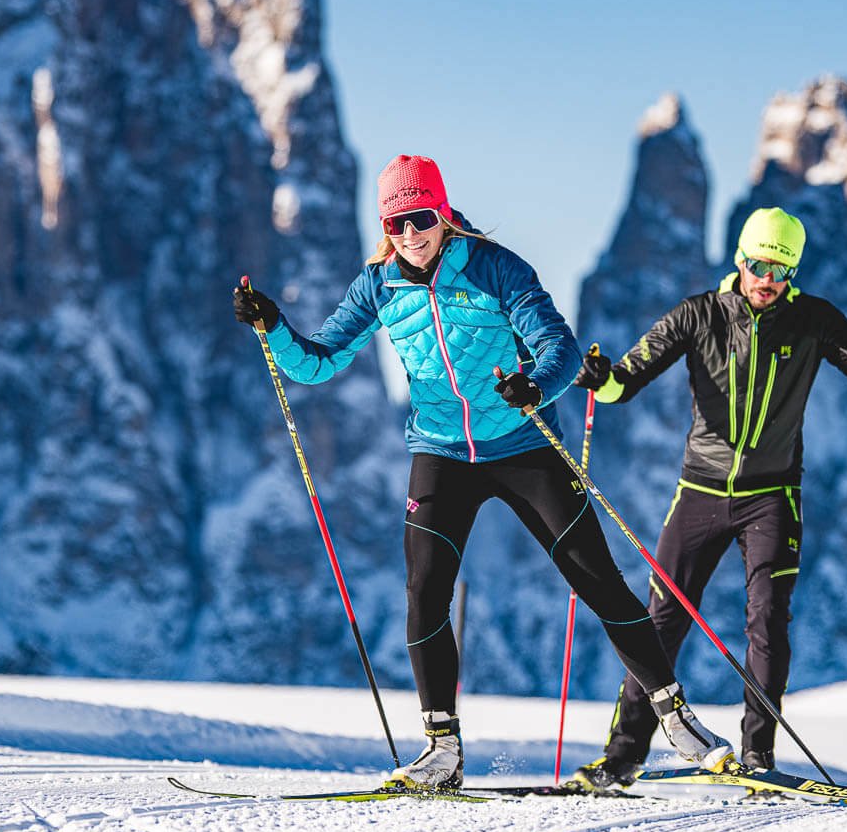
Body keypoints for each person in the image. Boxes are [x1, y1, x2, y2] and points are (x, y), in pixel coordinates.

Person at [232, 155, 734, 790]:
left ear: (444, 215)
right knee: (425, 591)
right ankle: (442, 749)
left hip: (520, 443)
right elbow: (319, 362)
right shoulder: (378, 286)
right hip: (441, 453)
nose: (410, 234)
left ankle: (676, 719)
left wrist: (535, 386)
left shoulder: (496, 267)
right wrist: (272, 325)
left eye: (421, 218)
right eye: (396, 222)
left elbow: (560, 346)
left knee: (597, 579)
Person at [565, 207, 847, 792]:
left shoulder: (812, 320)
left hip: (771, 496)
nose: (765, 279)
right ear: (740, 259)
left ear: (793, 273)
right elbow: (624, 382)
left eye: (779, 270)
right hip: (699, 489)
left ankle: (757, 754)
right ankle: (623, 756)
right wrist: (599, 375)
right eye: (757, 264)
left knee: (768, 622)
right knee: (660, 622)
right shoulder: (701, 314)